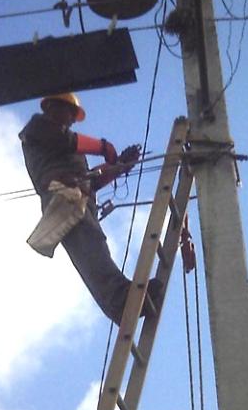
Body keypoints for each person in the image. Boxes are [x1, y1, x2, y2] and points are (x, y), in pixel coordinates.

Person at [19, 92, 158, 324]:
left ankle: (123, 297)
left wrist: (120, 166)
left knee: (95, 247)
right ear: (52, 106)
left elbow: (90, 179)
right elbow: (66, 140)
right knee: (90, 252)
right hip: (63, 199)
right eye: (71, 113)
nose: (73, 120)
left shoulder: (65, 148)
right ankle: (122, 302)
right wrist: (103, 146)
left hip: (77, 199)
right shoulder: (38, 127)